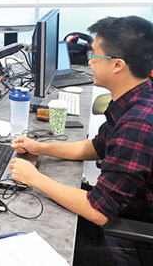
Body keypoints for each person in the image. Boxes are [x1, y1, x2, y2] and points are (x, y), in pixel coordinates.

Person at [9, 16, 153, 265]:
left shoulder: (138, 121)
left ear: (118, 65)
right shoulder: (137, 96)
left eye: (95, 54)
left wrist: (34, 178)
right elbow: (97, 147)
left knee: (30, 232)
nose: (89, 60)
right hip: (127, 209)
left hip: (134, 242)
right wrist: (39, 148)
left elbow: (98, 211)